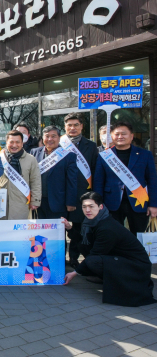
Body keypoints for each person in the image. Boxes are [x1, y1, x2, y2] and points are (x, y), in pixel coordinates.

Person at [64, 192, 156, 307]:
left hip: (136, 267)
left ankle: (116, 282)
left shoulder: (107, 227)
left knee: (93, 261)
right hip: (122, 259)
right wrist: (69, 228)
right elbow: (84, 242)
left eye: (91, 206)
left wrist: (74, 273)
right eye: (84, 207)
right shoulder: (94, 221)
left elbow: (95, 253)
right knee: (84, 247)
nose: (87, 210)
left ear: (100, 206)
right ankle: (106, 277)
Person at [94, 121, 157, 236]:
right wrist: (99, 204)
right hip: (111, 202)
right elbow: (98, 182)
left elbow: (152, 181)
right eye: (116, 134)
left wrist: (153, 205)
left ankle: (137, 255)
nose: (120, 137)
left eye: (124, 134)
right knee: (113, 235)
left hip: (139, 201)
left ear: (132, 136)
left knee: (139, 236)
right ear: (112, 137)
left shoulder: (145, 154)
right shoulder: (105, 156)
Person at [61, 113, 99, 267]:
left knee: (77, 226)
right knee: (60, 225)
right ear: (65, 127)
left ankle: (74, 257)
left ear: (82, 126)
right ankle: (60, 256)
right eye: (69, 125)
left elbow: (95, 170)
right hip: (61, 192)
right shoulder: (59, 144)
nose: (73, 128)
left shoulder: (91, 146)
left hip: (82, 193)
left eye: (76, 125)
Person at [31, 126, 78, 219]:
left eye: (53, 136)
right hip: (37, 202)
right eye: (47, 136)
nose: (50, 139)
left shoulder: (68, 156)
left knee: (57, 232)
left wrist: (70, 202)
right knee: (39, 232)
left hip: (58, 202)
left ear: (59, 138)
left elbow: (72, 181)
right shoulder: (34, 152)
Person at [0, 130, 41, 220]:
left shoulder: (30, 159)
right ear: (7, 142)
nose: (14, 145)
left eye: (17, 142)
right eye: (11, 142)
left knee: (18, 232)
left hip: (21, 203)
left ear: (22, 143)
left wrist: (35, 201)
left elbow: (35, 181)